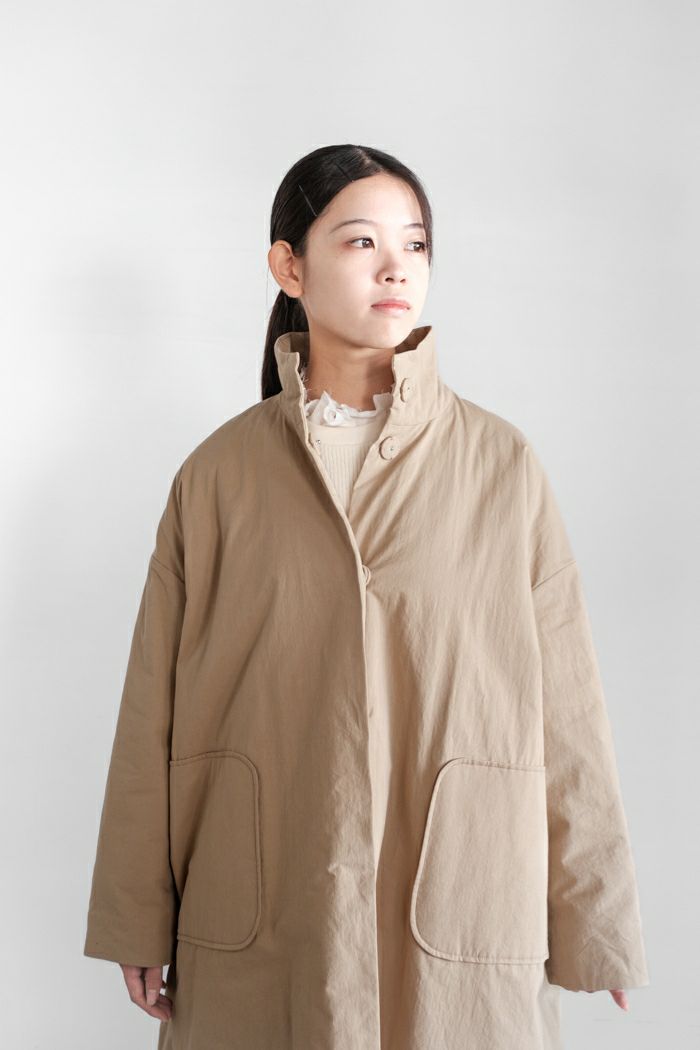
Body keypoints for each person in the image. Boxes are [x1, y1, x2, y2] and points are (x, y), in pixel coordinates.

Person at [83, 144, 649, 1049]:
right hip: (267, 901)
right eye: (360, 242)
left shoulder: (501, 467)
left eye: (415, 244)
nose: (396, 268)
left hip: (461, 902)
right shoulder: (219, 477)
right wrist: (134, 915)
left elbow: (569, 712)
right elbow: (152, 710)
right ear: (289, 266)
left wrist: (597, 920)